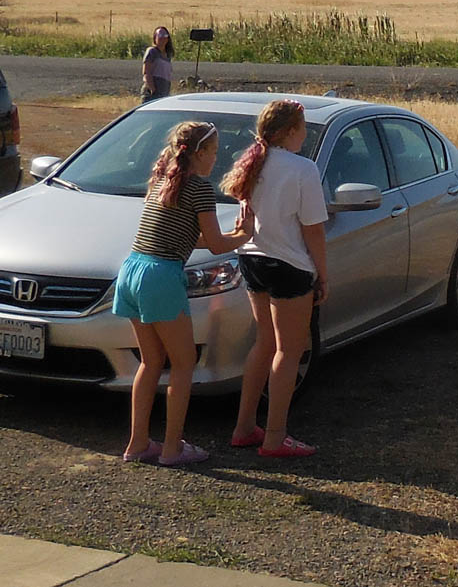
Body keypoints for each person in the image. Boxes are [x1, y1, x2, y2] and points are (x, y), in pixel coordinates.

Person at [116, 121, 253, 466]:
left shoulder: (163, 181)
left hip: (133, 269)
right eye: (215, 151)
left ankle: (138, 443)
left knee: (150, 361)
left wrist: (232, 236)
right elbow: (218, 243)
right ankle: (172, 448)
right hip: (161, 276)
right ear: (201, 153)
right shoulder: (199, 188)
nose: (217, 158)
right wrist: (244, 234)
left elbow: (188, 237)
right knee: (183, 362)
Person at [221, 100, 328, 457]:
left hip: (252, 258)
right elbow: (313, 229)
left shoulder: (251, 161)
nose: (304, 134)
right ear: (289, 132)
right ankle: (275, 436)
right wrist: (323, 274)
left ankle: (244, 426)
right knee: (289, 349)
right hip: (289, 265)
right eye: (301, 128)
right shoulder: (303, 168)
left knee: (264, 343)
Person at [141, 26, 174, 103]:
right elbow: (146, 72)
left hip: (164, 92)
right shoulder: (152, 52)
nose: (162, 38)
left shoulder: (167, 55)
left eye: (165, 36)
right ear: (155, 38)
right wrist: (153, 89)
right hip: (153, 93)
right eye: (160, 35)